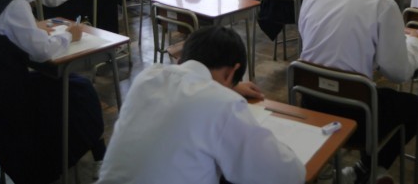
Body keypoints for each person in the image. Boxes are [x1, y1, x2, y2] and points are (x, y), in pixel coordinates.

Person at [97, 26, 305, 184]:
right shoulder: (223, 104)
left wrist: (229, 86)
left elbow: (193, 83)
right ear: (232, 72)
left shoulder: (146, 78)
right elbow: (289, 174)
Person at [0, 0, 106, 184]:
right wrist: (70, 35)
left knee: (71, 86)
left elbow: (5, 30)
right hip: (6, 97)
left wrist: (33, 28)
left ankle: (95, 154)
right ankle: (92, 156)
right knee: (79, 91)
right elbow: (42, 51)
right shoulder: (14, 6)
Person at [298, 0, 418, 184]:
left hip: (309, 103)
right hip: (356, 117)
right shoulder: (382, 1)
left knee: (370, 92)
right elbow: (398, 73)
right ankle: (368, 168)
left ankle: (351, 169)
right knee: (416, 107)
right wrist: (416, 44)